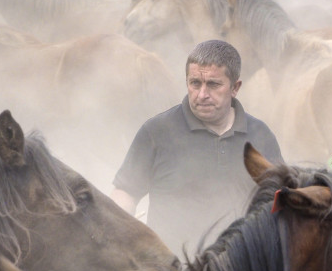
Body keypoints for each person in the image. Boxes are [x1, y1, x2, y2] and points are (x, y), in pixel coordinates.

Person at [110, 39, 283, 255]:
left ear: (235, 88)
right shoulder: (157, 131)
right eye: (195, 83)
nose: (202, 94)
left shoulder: (260, 136)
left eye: (213, 84)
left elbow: (278, 202)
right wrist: (121, 238)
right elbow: (125, 192)